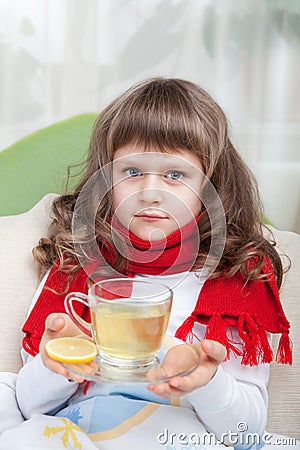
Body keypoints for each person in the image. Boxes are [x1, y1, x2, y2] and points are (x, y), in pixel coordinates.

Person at [9, 78, 292, 449]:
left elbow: (247, 430)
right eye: (132, 172)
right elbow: (29, 406)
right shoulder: (74, 265)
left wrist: (208, 381)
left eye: (176, 175)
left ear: (211, 183)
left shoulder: (235, 279)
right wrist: (55, 367)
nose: (151, 193)